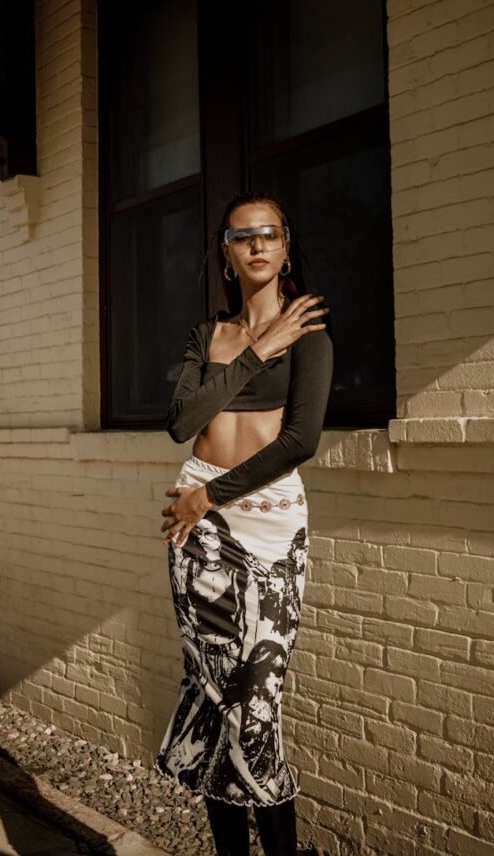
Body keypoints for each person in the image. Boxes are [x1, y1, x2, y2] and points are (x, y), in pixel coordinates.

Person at [153, 191, 333, 856]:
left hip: (268, 526)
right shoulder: (208, 336)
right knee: (213, 693)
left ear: (286, 249)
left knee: (255, 706)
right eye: (241, 235)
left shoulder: (310, 334)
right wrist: (257, 351)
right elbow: (182, 423)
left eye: (269, 233)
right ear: (227, 255)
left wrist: (210, 496)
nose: (256, 243)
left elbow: (299, 442)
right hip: (197, 527)